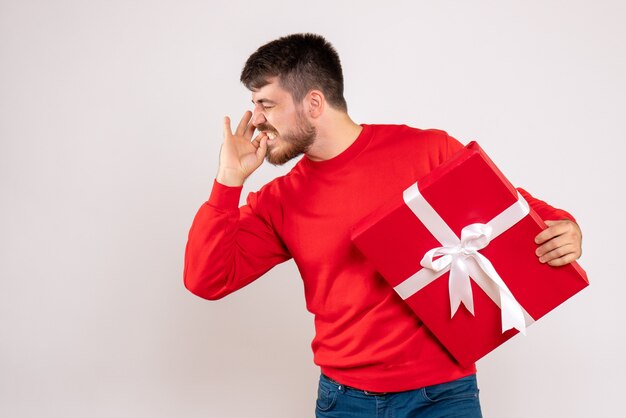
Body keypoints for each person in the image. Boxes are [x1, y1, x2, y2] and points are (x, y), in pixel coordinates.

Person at [183, 33, 582, 418]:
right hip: (343, 402)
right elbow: (207, 279)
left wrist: (564, 225)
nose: (255, 120)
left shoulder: (427, 151)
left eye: (266, 104)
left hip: (444, 396)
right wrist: (228, 181)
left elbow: (516, 208)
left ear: (314, 103)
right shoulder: (280, 199)